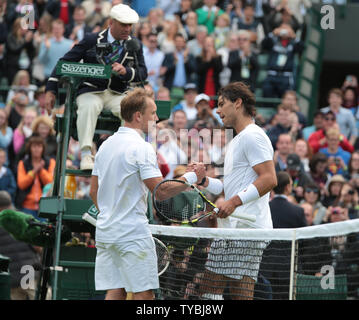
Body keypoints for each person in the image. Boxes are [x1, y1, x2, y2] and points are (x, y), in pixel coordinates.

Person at [89, 87, 205, 300]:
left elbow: (93, 191)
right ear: (138, 116)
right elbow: (161, 192)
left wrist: (109, 215)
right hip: (131, 233)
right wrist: (191, 177)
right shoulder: (141, 147)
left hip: (106, 232)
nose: (156, 118)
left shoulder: (105, 146)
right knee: (145, 296)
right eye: (152, 113)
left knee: (116, 291)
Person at [198, 81, 277, 300]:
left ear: (238, 103)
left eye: (222, 104)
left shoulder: (253, 135)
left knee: (209, 289)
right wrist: (204, 180)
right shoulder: (237, 140)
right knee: (240, 292)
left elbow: (270, 179)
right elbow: (228, 187)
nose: (217, 110)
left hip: (244, 228)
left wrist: (233, 202)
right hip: (244, 228)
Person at [45, 4, 147, 170]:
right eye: (123, 24)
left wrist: (126, 71)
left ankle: (124, 156)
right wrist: (51, 88)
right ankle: (86, 154)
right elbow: (64, 62)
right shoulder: (91, 40)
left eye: (130, 25)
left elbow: (143, 73)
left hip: (117, 94)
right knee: (88, 105)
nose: (128, 29)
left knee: (132, 112)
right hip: (91, 90)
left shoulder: (134, 44)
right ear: (111, 22)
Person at [16, 136, 56, 221]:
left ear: (43, 148)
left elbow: (50, 183)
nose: (36, 149)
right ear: (29, 148)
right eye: (34, 146)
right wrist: (34, 171)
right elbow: (21, 184)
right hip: (26, 207)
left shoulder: (51, 162)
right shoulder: (22, 163)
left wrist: (41, 170)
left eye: (39, 146)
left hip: (45, 207)